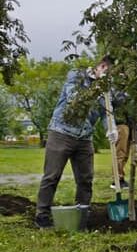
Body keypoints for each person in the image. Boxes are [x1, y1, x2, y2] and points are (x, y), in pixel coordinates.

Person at [35, 55, 115, 229]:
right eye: (109, 74)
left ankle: (82, 218)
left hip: (84, 138)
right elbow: (74, 101)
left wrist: (111, 128)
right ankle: (42, 216)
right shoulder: (76, 76)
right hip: (61, 132)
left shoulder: (105, 89)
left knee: (86, 179)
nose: (110, 79)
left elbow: (106, 113)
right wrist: (96, 89)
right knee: (52, 176)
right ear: (101, 67)